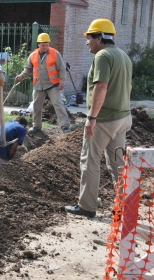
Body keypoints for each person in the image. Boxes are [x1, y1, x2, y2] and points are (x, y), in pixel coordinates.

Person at [65, 19, 132, 218]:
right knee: (118, 164)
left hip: (104, 120)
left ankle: (87, 206)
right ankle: (124, 206)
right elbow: (128, 87)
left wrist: (92, 117)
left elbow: (100, 87)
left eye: (89, 37)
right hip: (123, 118)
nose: (87, 42)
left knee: (90, 160)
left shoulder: (103, 56)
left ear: (99, 37)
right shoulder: (123, 56)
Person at [15, 33, 71, 134]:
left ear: (49, 44)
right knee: (36, 106)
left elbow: (62, 68)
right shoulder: (33, 55)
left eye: (46, 44)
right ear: (38, 44)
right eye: (43, 45)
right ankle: (36, 126)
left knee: (58, 104)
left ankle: (65, 126)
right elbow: (28, 69)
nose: (45, 47)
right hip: (38, 85)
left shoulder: (55, 53)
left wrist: (62, 81)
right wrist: (21, 76)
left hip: (53, 85)